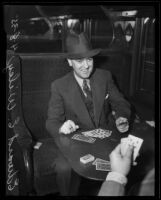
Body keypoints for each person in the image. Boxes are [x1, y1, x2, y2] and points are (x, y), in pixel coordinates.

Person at [46, 31, 131, 195]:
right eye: (79, 61)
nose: (86, 66)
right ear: (70, 62)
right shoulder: (59, 85)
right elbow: (51, 121)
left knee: (131, 159)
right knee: (64, 168)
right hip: (75, 142)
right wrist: (61, 127)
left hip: (107, 137)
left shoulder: (105, 76)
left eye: (89, 59)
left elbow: (120, 103)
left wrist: (122, 117)